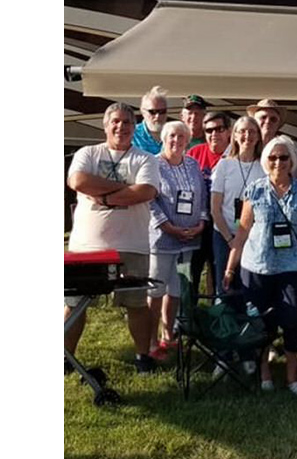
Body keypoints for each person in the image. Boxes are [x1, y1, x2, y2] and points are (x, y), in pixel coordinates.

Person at [222, 135, 297, 396]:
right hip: (257, 267)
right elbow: (242, 232)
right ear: (266, 161)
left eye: (284, 157)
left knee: (293, 320)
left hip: (294, 268)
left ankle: (291, 377)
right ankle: (265, 372)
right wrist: (230, 267)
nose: (278, 162)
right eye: (273, 157)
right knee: (260, 324)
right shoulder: (254, 190)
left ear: (292, 160)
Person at [66, 102, 160, 373]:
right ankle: (65, 358)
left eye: (127, 122)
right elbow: (78, 181)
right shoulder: (88, 153)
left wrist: (104, 195)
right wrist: (124, 189)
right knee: (75, 304)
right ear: (105, 125)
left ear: (134, 127)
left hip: (132, 245)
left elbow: (145, 191)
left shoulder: (145, 159)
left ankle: (143, 357)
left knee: (137, 304)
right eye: (115, 121)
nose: (121, 127)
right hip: (87, 247)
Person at [147, 120, 208, 360]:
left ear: (187, 140)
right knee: (156, 290)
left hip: (188, 240)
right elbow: (149, 200)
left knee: (176, 289)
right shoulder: (153, 164)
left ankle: (168, 335)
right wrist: (168, 226)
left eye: (181, 136)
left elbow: (202, 196)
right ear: (164, 138)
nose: (176, 140)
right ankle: (150, 342)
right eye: (172, 136)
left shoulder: (192, 164)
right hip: (162, 239)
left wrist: (201, 222)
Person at [210, 116, 265, 295]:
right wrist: (230, 240)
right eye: (242, 131)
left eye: (252, 131)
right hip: (223, 235)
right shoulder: (224, 165)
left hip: (252, 238)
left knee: (248, 288)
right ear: (234, 135)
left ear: (258, 136)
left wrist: (242, 240)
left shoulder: (264, 167)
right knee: (225, 288)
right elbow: (215, 208)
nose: (247, 136)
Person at [186, 110, 232, 300]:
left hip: (224, 223)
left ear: (229, 131)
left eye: (219, 129)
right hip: (197, 222)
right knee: (192, 273)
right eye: (209, 130)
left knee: (221, 272)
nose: (214, 134)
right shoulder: (194, 153)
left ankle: (220, 312)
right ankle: (189, 312)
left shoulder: (235, 155)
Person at [131, 85, 169, 155]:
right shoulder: (131, 134)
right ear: (142, 111)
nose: (157, 116)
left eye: (162, 111)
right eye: (152, 112)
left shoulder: (174, 134)